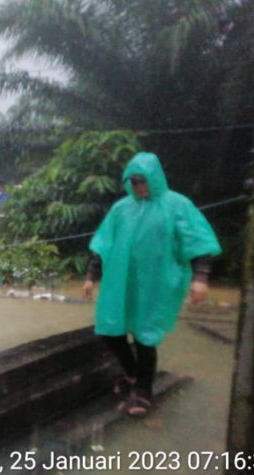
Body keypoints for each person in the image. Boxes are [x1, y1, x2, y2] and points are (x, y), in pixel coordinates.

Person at [83, 152, 221, 417]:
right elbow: (103, 245)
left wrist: (200, 278)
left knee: (145, 336)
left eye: (143, 181)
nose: (139, 187)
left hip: (157, 283)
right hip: (121, 283)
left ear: (154, 179)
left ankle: (143, 392)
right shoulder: (121, 209)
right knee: (109, 331)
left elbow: (198, 242)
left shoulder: (177, 205)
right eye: (133, 182)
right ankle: (133, 374)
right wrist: (91, 276)